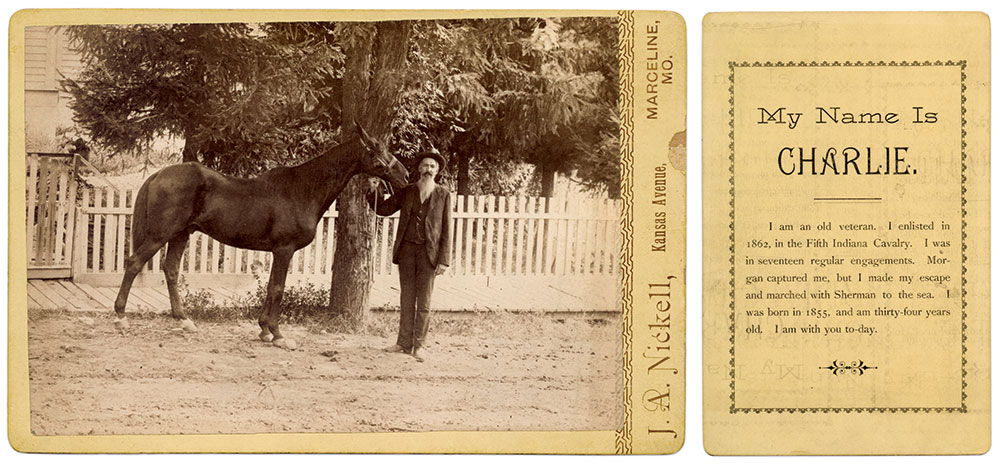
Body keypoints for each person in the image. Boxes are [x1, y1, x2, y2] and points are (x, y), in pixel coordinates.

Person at [367, 151, 451, 362]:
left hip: (428, 254)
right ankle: (403, 343)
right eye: (424, 166)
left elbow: (448, 229)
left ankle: (419, 345)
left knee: (424, 301)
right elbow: (384, 209)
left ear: (437, 171)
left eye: (432, 166)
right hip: (406, 252)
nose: (428, 170)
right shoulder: (407, 192)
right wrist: (373, 190)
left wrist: (444, 260)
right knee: (406, 298)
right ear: (418, 169)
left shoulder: (444, 194)